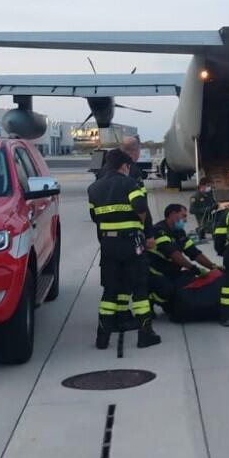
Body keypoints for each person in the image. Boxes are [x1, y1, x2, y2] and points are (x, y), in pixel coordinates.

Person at [87, 148, 160, 350]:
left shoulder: (94, 188)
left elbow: (95, 218)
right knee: (139, 287)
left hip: (108, 245)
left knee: (110, 290)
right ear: (124, 166)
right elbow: (141, 208)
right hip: (131, 243)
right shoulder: (130, 183)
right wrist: (145, 232)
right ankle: (145, 334)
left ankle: (102, 337)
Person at [149, 204, 220, 313]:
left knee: (189, 281)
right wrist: (193, 268)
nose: (185, 220)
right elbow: (174, 254)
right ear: (173, 214)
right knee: (168, 290)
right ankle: (150, 297)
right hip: (155, 273)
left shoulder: (179, 233)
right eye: (183, 216)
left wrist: (213, 267)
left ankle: (167, 301)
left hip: (170, 272)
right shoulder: (159, 231)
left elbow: (194, 252)